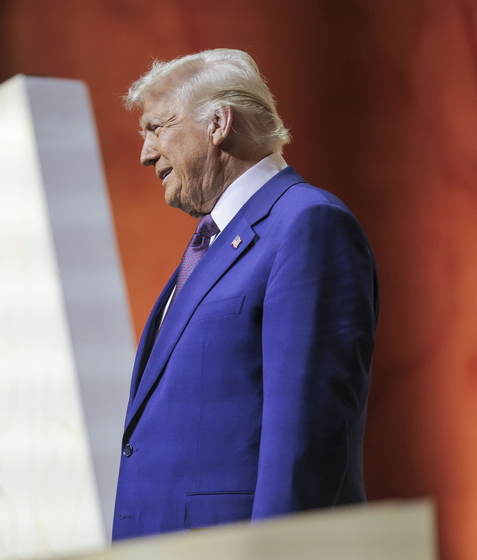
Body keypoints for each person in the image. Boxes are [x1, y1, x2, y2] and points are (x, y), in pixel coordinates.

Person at [112, 48, 378, 541]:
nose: (146, 152)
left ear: (218, 123)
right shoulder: (213, 245)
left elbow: (305, 444)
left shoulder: (307, 225)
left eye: (157, 128)